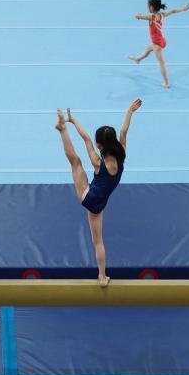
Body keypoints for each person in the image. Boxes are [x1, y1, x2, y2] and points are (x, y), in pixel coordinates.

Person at [55, 98, 142, 286]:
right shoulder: (121, 155)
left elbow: (86, 139)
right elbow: (124, 131)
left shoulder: (97, 162)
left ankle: (62, 130)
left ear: (100, 145)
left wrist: (72, 121)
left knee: (76, 162)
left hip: (89, 196)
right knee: (98, 242)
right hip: (99, 204)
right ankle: (102, 277)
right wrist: (129, 111)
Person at [129, 0, 189, 88]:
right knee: (148, 49)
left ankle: (167, 83)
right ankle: (137, 59)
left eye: (148, 6)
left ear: (151, 7)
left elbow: (138, 16)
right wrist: (183, 9)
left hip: (157, 44)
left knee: (161, 63)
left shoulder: (151, 17)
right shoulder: (162, 14)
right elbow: (173, 11)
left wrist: (138, 15)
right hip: (161, 40)